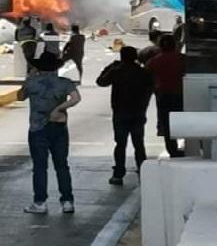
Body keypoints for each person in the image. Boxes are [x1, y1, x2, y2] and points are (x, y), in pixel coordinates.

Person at [19, 51, 81, 214]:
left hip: (37, 128)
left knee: (40, 167)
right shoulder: (65, 83)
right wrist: (59, 108)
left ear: (39, 67)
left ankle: (40, 202)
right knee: (61, 165)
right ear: (56, 67)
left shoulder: (32, 82)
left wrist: (29, 78)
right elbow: (76, 99)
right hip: (59, 126)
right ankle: (67, 201)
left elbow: (20, 96)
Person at [96, 46, 154, 185]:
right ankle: (143, 171)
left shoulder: (117, 71)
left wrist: (110, 67)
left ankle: (118, 173)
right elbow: (151, 88)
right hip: (138, 112)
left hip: (120, 112)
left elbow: (101, 81)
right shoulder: (143, 72)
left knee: (120, 144)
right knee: (139, 144)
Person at [147, 35, 184, 157]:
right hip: (181, 94)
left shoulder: (154, 61)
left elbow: (147, 78)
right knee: (186, 120)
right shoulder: (182, 59)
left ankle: (172, 149)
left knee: (166, 123)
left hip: (163, 96)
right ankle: (192, 144)